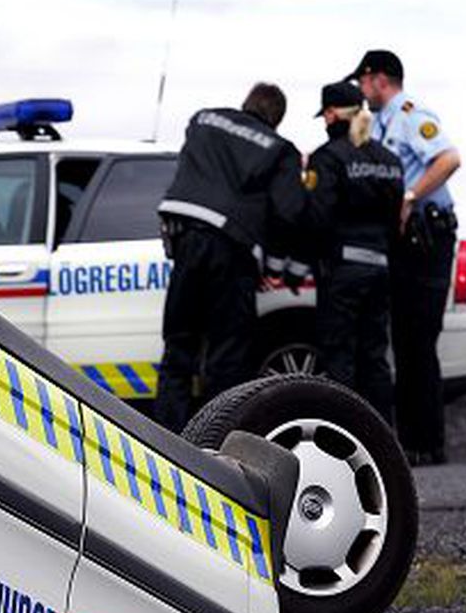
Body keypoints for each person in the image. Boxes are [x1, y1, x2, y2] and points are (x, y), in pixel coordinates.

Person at [154, 82, 305, 433]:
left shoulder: (204, 120)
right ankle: (213, 444)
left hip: (187, 242)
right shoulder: (280, 150)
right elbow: (289, 212)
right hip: (233, 252)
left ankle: (165, 441)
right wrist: (279, 267)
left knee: (178, 350)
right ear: (276, 119)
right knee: (227, 358)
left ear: (246, 103)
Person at [346, 49, 460, 464]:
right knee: (404, 340)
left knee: (419, 342)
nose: (361, 90)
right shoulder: (377, 122)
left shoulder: (411, 114)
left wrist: (410, 197)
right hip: (402, 242)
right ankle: (411, 443)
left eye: (363, 82)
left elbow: (449, 159)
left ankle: (428, 443)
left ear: (379, 79)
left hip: (427, 238)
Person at [304, 80, 403, 423]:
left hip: (343, 272)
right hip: (380, 269)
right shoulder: (389, 161)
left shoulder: (327, 158)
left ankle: (342, 433)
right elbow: (395, 222)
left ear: (332, 114)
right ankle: (385, 438)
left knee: (339, 357)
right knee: (375, 358)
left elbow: (318, 219)